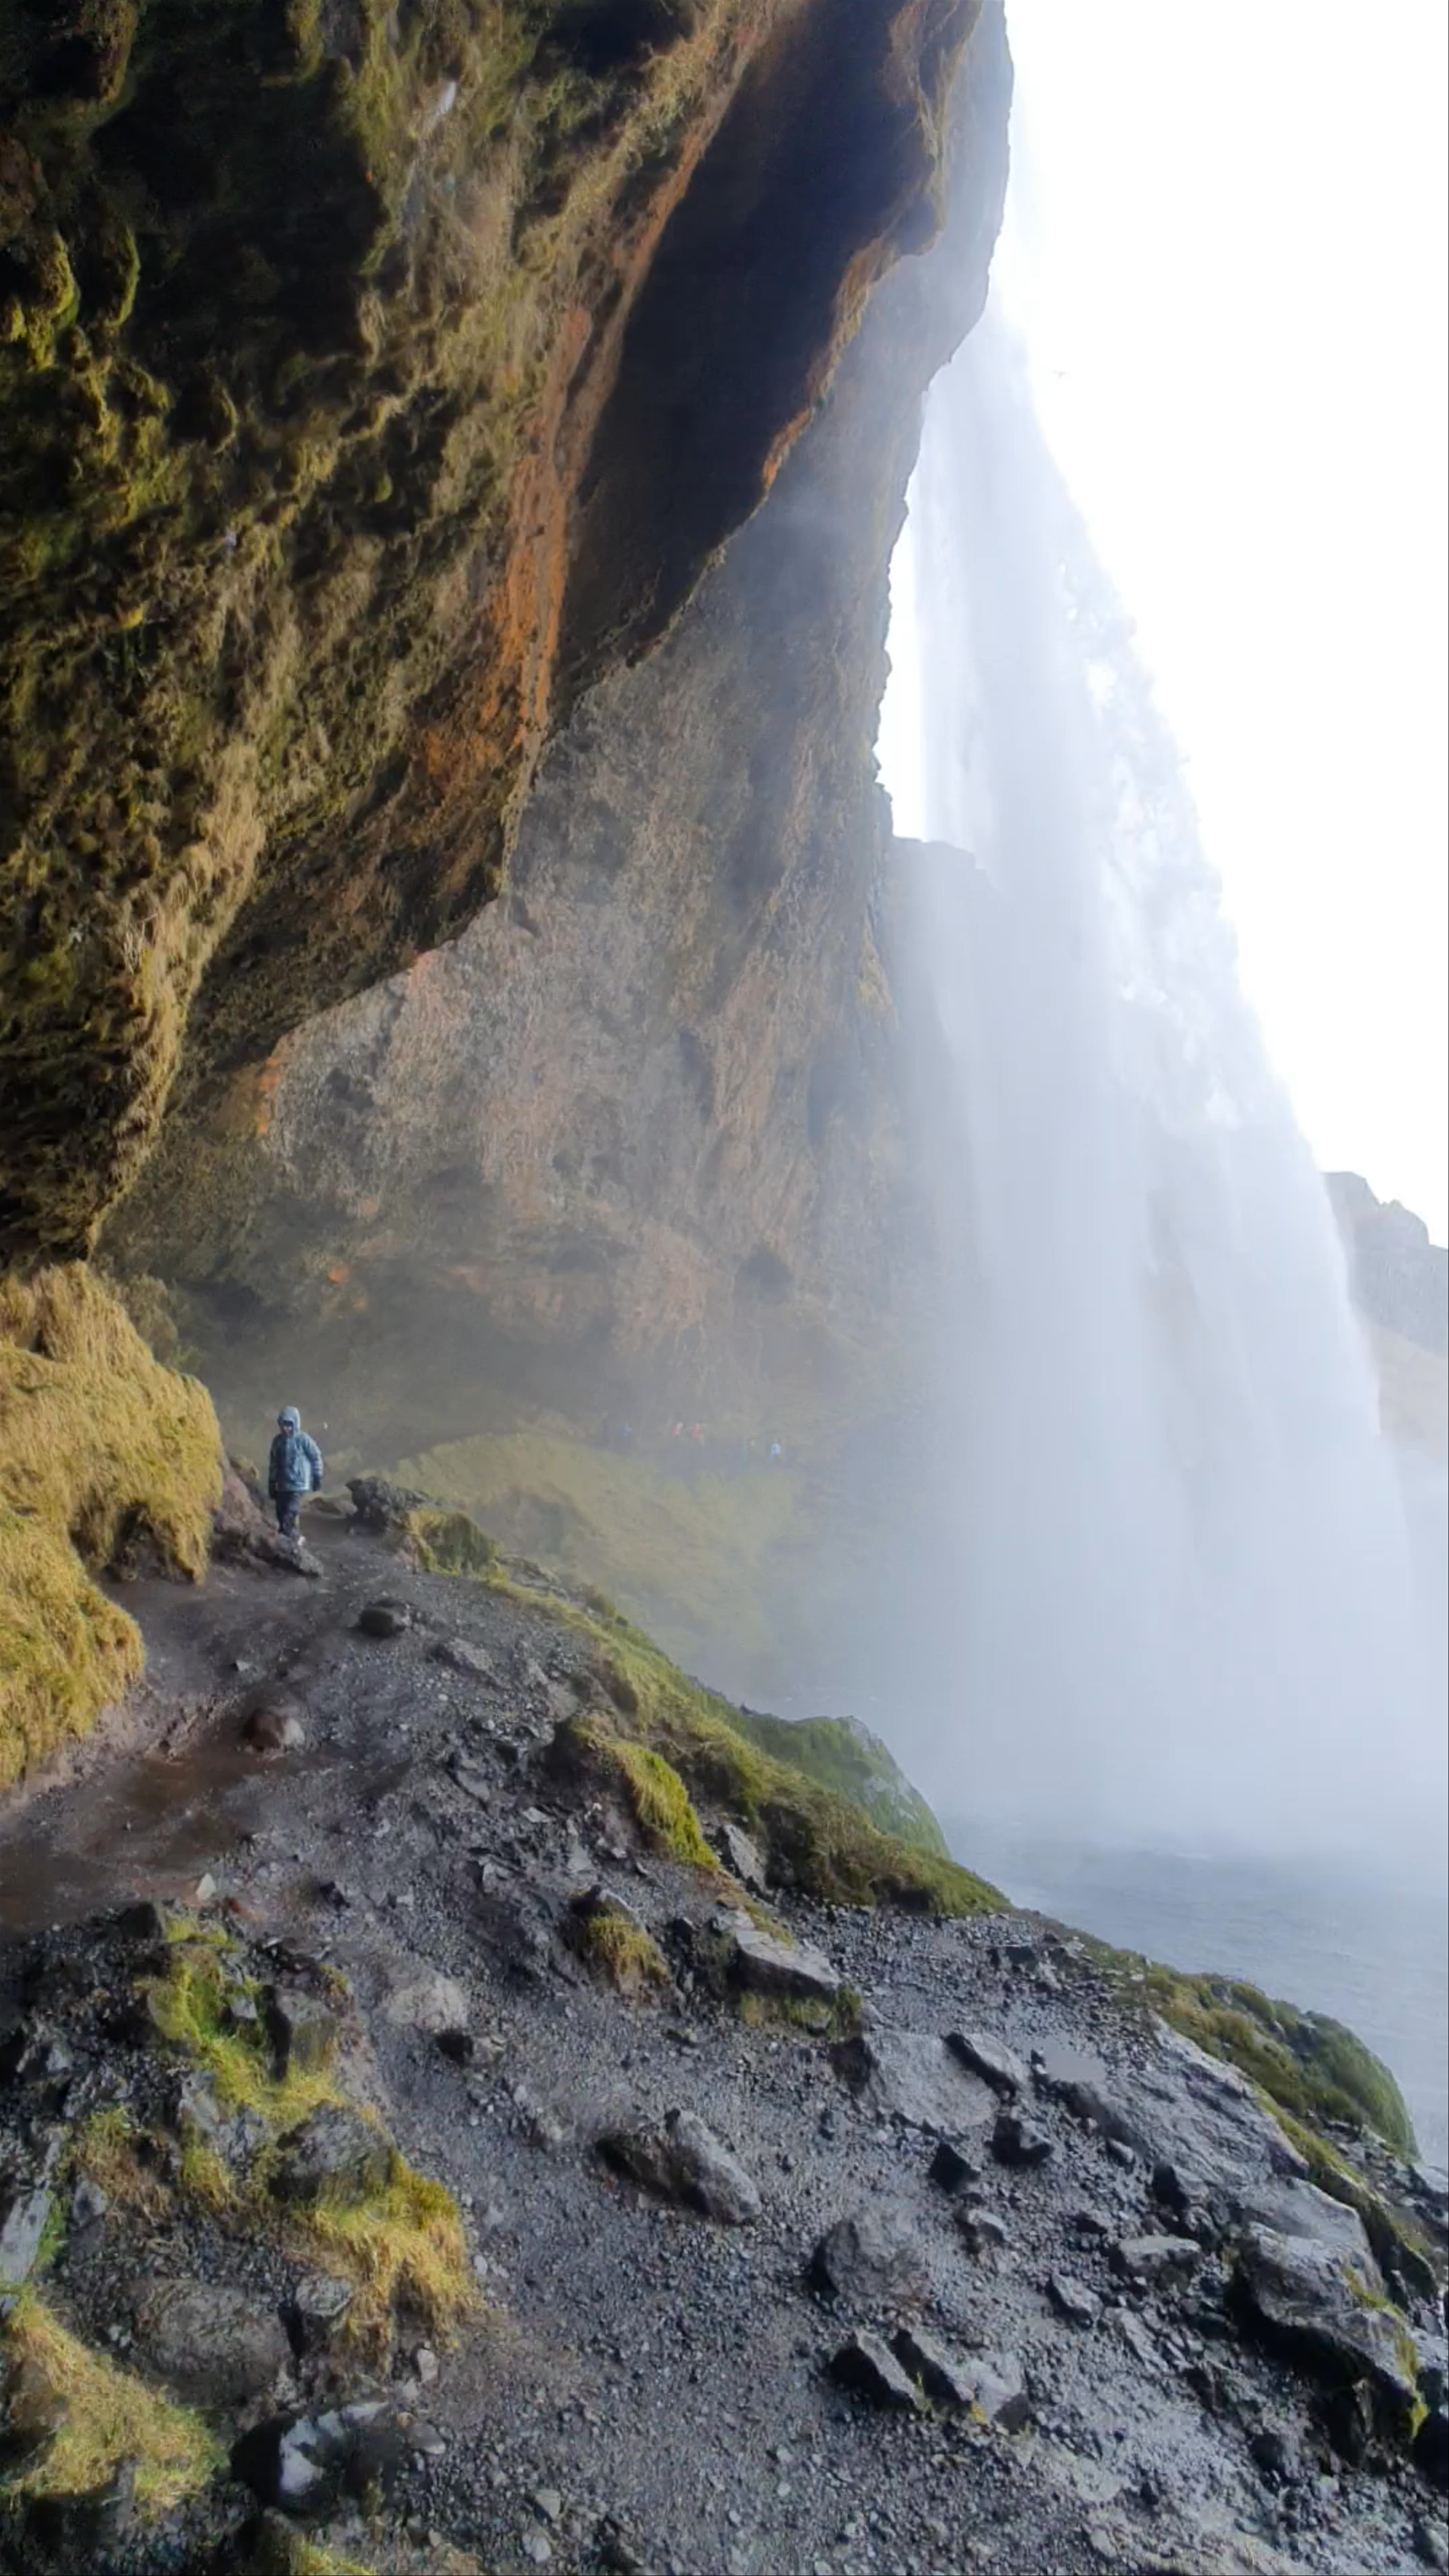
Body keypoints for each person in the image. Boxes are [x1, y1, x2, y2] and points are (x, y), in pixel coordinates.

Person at [267, 1406, 324, 1537]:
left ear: (296, 1424)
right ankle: (289, 1538)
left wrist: (317, 1477)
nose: (286, 1428)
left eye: (289, 1425)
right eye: (283, 1425)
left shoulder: (303, 1440)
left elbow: (316, 1457)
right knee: (281, 1514)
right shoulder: (278, 1442)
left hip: (299, 1485)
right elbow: (274, 1464)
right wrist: (272, 1483)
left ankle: (293, 1540)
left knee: (290, 1514)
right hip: (283, 1485)